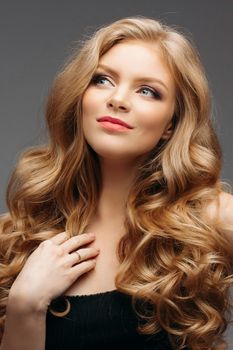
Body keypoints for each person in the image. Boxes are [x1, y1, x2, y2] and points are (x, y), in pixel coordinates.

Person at [0, 15, 233, 350]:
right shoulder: (20, 235)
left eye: (148, 91)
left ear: (171, 124)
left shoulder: (208, 218)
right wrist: (25, 305)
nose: (118, 99)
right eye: (103, 80)